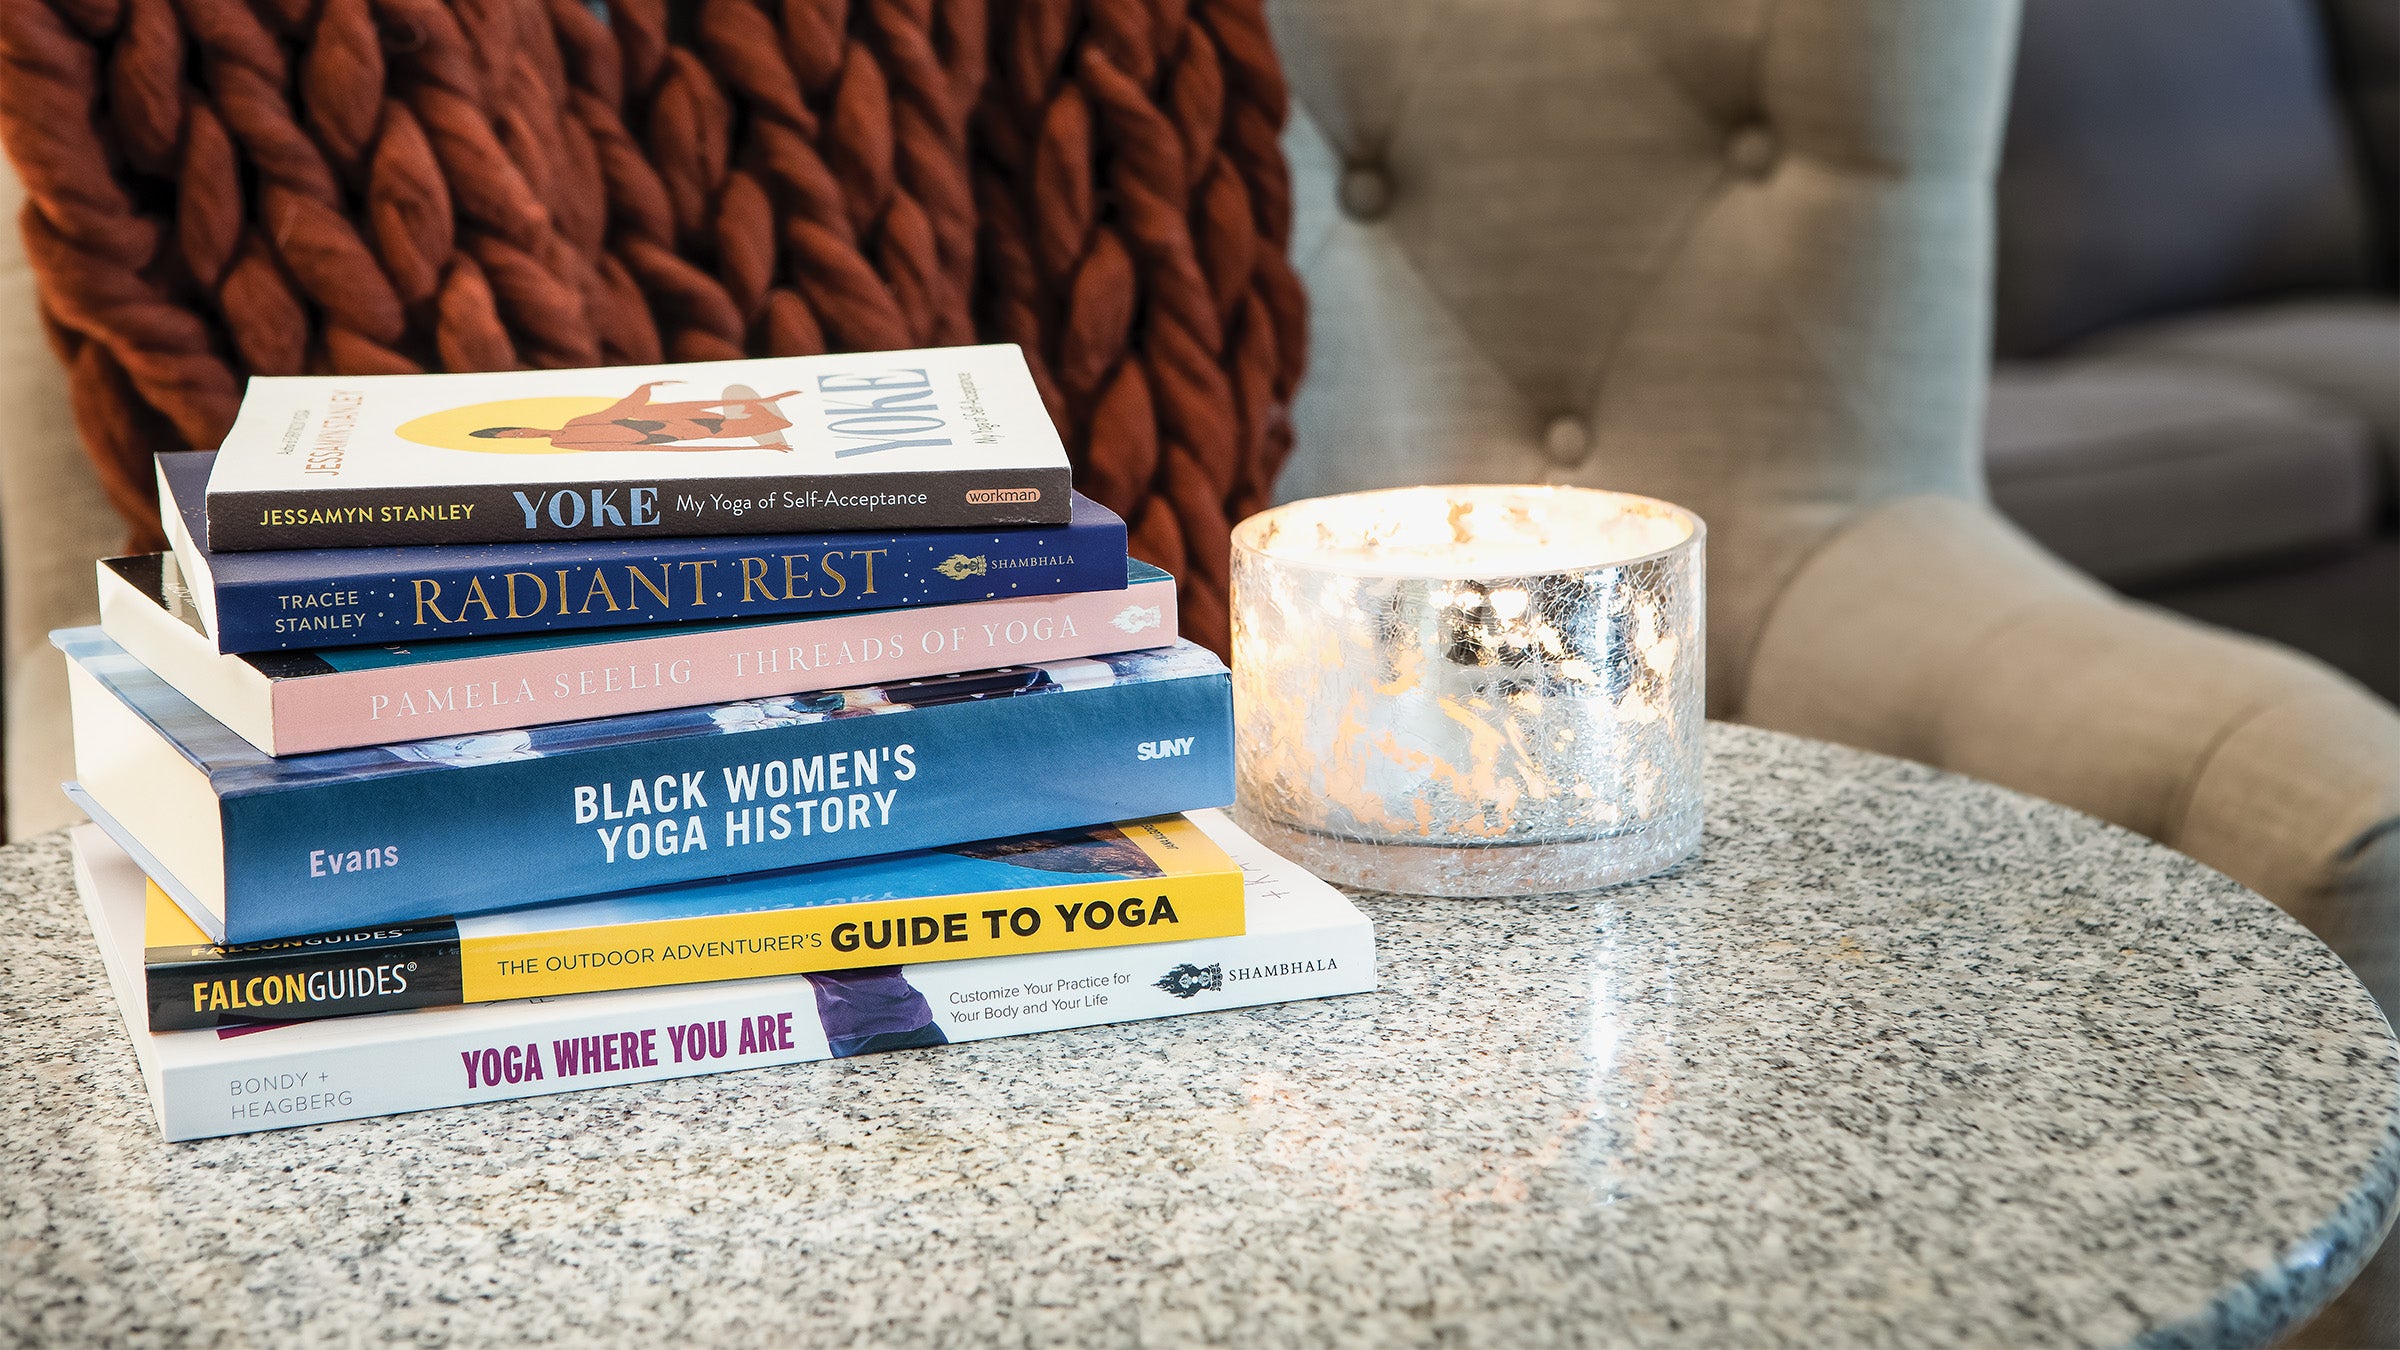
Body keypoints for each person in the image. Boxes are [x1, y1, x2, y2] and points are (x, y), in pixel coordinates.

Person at [472, 381, 799, 452]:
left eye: (515, 431)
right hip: (692, 433)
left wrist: (645, 387)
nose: (524, 435)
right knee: (773, 424)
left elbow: (622, 410)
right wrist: (754, 451)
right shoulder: (571, 444)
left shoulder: (576, 425)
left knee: (770, 418)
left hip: (693, 422)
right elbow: (654, 450)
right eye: (514, 439)